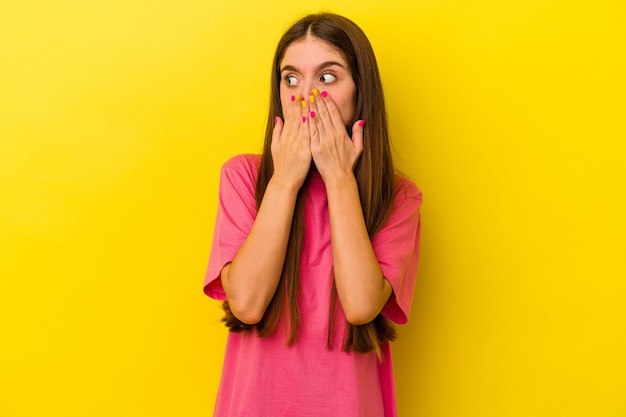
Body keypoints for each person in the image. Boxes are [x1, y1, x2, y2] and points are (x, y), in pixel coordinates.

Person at [204, 12, 422, 417]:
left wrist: (339, 178)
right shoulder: (243, 177)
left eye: (327, 77)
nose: (306, 96)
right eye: (291, 79)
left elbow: (360, 305)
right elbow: (247, 304)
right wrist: (284, 182)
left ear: (360, 93)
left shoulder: (398, 197)